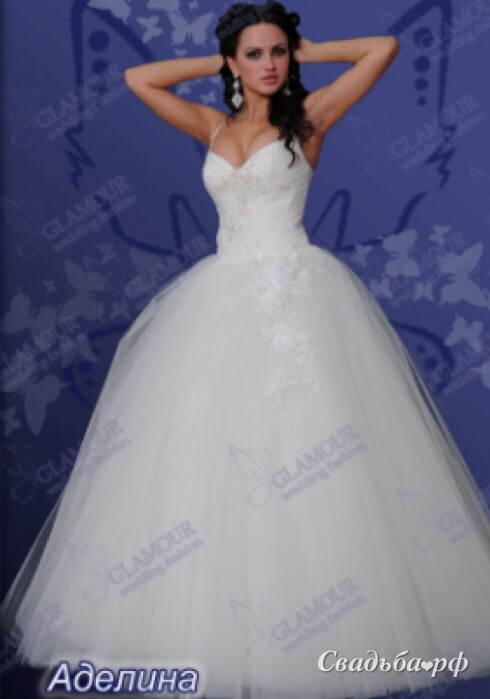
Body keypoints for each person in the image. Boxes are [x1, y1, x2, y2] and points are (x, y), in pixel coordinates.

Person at [2, 2, 490, 698]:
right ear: (235, 62)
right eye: (255, 54)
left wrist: (307, 49)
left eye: (277, 52)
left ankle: (324, 628)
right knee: (210, 456)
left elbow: (382, 48)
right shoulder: (212, 124)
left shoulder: (309, 118)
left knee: (310, 448)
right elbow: (140, 79)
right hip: (219, 302)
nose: (269, 64)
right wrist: (222, 56)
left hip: (298, 299)